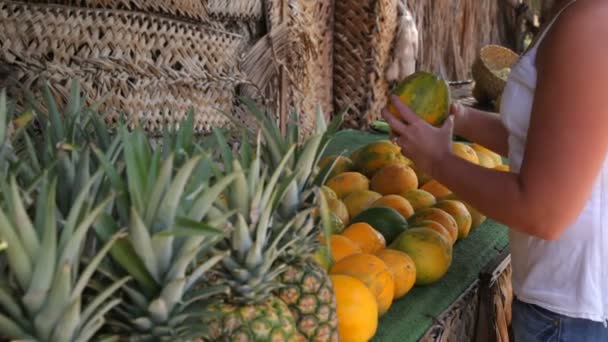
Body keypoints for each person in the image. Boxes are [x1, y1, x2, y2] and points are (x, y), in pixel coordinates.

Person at [382, 0, 608, 341]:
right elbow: (544, 141)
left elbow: (544, 213)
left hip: (570, 317)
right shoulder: (576, 14)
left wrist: (438, 162)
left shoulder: (589, 23)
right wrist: (455, 116)